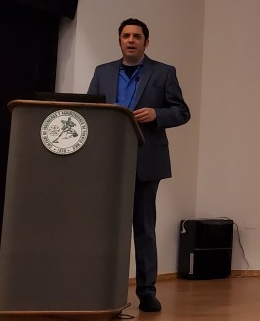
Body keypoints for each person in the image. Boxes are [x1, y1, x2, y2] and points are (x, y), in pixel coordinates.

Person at [88, 18, 190, 312]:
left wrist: (157, 114)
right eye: (125, 36)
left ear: (147, 42)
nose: (130, 40)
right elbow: (91, 109)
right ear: (119, 40)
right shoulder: (102, 72)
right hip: (109, 160)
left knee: (144, 227)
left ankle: (147, 291)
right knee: (106, 228)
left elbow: (182, 112)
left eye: (136, 36)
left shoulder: (164, 72)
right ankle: (104, 287)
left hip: (146, 159)